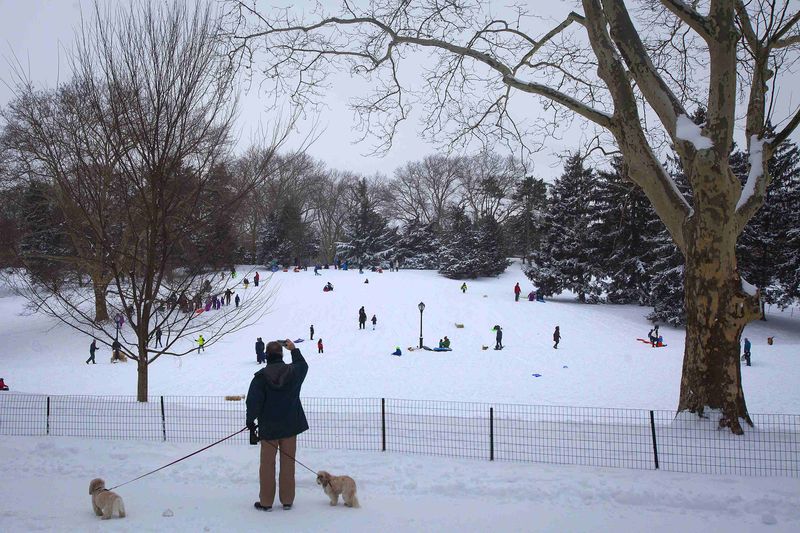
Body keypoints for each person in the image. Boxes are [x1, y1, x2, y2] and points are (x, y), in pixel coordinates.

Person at [246, 339, 309, 512]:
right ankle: (287, 500)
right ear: (281, 354)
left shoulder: (260, 377)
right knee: (288, 463)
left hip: (269, 428)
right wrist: (294, 350)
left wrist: (250, 421)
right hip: (290, 427)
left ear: (266, 355)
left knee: (267, 466)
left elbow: (253, 402)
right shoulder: (293, 372)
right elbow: (303, 365)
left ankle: (266, 502)